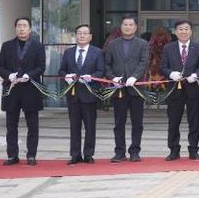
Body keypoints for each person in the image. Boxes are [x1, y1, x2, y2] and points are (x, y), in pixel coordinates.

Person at [0, 17, 46, 166]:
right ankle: (12, 155)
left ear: (30, 29)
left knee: (33, 125)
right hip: (12, 89)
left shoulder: (38, 46)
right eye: (19, 25)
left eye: (24, 26)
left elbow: (41, 67)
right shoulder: (7, 46)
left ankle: (31, 155)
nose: (21, 28)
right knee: (11, 126)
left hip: (31, 89)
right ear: (15, 28)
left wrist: (29, 75)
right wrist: (9, 75)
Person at [59, 24, 106, 164]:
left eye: (85, 33)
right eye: (79, 33)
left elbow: (101, 71)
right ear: (76, 36)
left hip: (89, 95)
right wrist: (67, 76)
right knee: (74, 127)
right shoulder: (68, 52)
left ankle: (88, 154)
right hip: (73, 95)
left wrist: (91, 77)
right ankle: (75, 154)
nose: (82, 35)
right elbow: (61, 70)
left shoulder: (97, 52)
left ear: (90, 36)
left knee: (90, 126)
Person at [105, 15, 149, 162]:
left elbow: (144, 62)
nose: (128, 27)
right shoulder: (112, 44)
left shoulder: (142, 44)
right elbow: (107, 64)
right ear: (121, 26)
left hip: (136, 89)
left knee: (137, 123)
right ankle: (120, 152)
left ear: (135, 27)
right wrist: (112, 78)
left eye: (131, 24)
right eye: (125, 24)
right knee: (119, 123)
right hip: (119, 89)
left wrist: (135, 77)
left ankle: (135, 151)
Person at [161, 20, 199, 160]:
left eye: (186, 29)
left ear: (191, 32)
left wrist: (196, 75)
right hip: (174, 90)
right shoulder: (168, 48)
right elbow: (163, 67)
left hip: (193, 89)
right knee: (173, 121)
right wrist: (171, 74)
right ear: (175, 31)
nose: (183, 32)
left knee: (194, 121)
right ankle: (174, 150)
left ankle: (193, 149)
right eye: (180, 29)